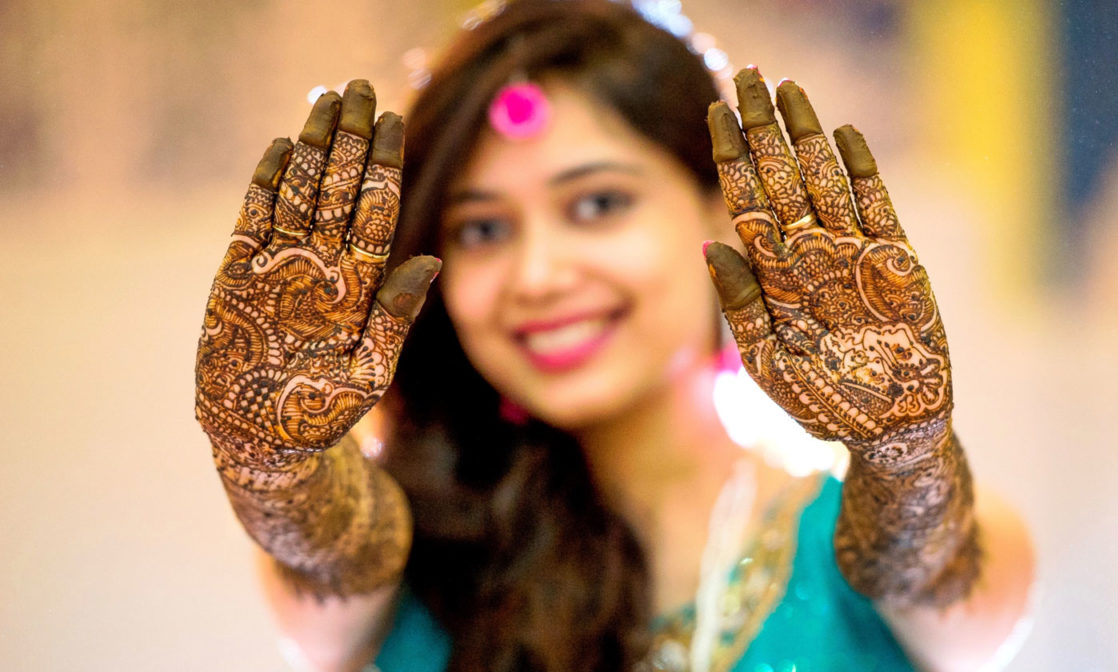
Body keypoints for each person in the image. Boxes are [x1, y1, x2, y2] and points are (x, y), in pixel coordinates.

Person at [194, 1, 1035, 670]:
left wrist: (906, 452)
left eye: (597, 204)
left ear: (724, 210)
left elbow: (936, 579)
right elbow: (326, 553)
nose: (539, 275)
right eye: (482, 230)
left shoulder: (890, 554)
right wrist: (272, 471)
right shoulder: (403, 552)